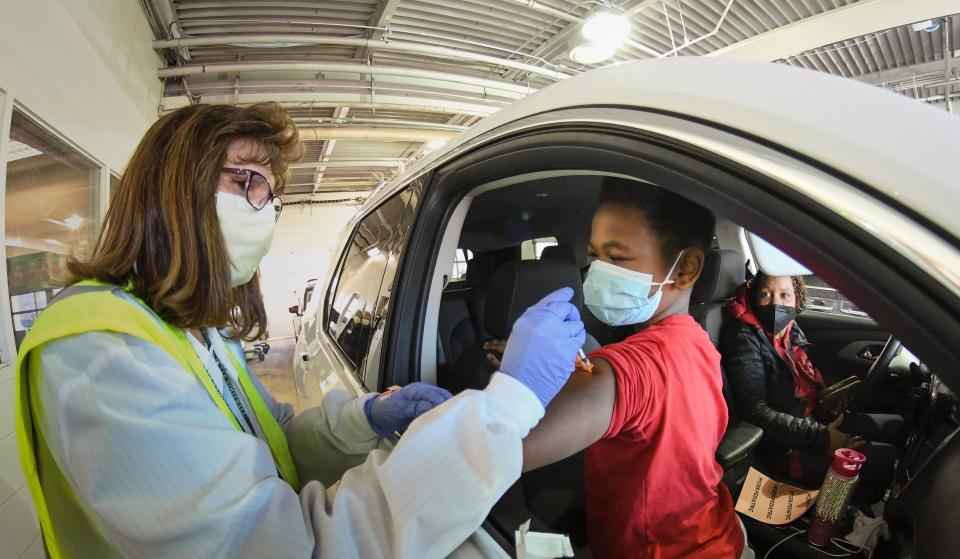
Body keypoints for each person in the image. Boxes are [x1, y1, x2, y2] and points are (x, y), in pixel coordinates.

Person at [15, 103, 586, 558]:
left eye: (271, 195)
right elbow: (292, 547)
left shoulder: (191, 330)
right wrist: (506, 407)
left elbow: (270, 440)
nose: (264, 213)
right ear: (173, 189)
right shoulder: (105, 350)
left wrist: (362, 419)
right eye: (247, 183)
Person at [521, 178, 747, 558]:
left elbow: (493, 453)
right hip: (719, 535)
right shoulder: (697, 341)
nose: (597, 273)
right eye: (594, 257)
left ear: (686, 267)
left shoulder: (625, 369)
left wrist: (514, 384)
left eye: (617, 257)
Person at [722, 272, 905, 493]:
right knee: (891, 460)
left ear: (796, 299)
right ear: (753, 297)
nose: (775, 303)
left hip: (816, 419)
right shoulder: (743, 336)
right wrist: (824, 439)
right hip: (788, 447)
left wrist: (830, 397)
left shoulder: (789, 328)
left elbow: (807, 377)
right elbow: (754, 411)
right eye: (765, 294)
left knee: (899, 426)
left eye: (784, 295)